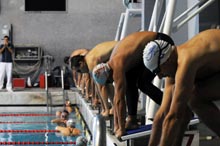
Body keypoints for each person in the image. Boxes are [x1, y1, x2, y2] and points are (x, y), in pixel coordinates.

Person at [143, 29, 220, 146]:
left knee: (193, 99)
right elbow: (163, 113)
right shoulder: (173, 63)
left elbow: (174, 116)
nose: (159, 76)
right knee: (184, 101)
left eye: (158, 71)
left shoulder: (186, 61)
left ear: (166, 60)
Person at [92, 31, 172, 138]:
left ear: (108, 76)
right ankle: (132, 119)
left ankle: (171, 108)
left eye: (109, 81)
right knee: (130, 80)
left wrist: (121, 129)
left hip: (159, 43)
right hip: (147, 48)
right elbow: (116, 100)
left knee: (143, 83)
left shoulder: (117, 64)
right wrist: (116, 126)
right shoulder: (114, 63)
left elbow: (119, 100)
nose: (112, 83)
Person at [71, 41, 117, 117]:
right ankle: (113, 107)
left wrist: (106, 110)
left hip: (122, 48)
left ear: (81, 63)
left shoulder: (91, 61)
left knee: (103, 84)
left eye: (79, 70)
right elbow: (98, 85)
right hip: (118, 48)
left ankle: (111, 108)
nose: (81, 73)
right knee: (107, 83)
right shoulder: (88, 58)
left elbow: (101, 87)